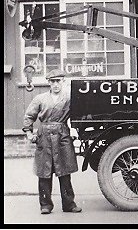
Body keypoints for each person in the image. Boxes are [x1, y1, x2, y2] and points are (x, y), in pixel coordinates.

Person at [22, 68, 82, 215]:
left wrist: (75, 131)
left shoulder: (69, 98)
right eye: (53, 81)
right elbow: (29, 116)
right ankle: (45, 205)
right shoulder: (40, 99)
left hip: (62, 135)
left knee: (65, 171)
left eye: (58, 81)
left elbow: (78, 114)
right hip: (44, 137)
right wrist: (29, 132)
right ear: (49, 82)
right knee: (44, 172)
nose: (55, 84)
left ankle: (69, 204)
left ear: (63, 82)